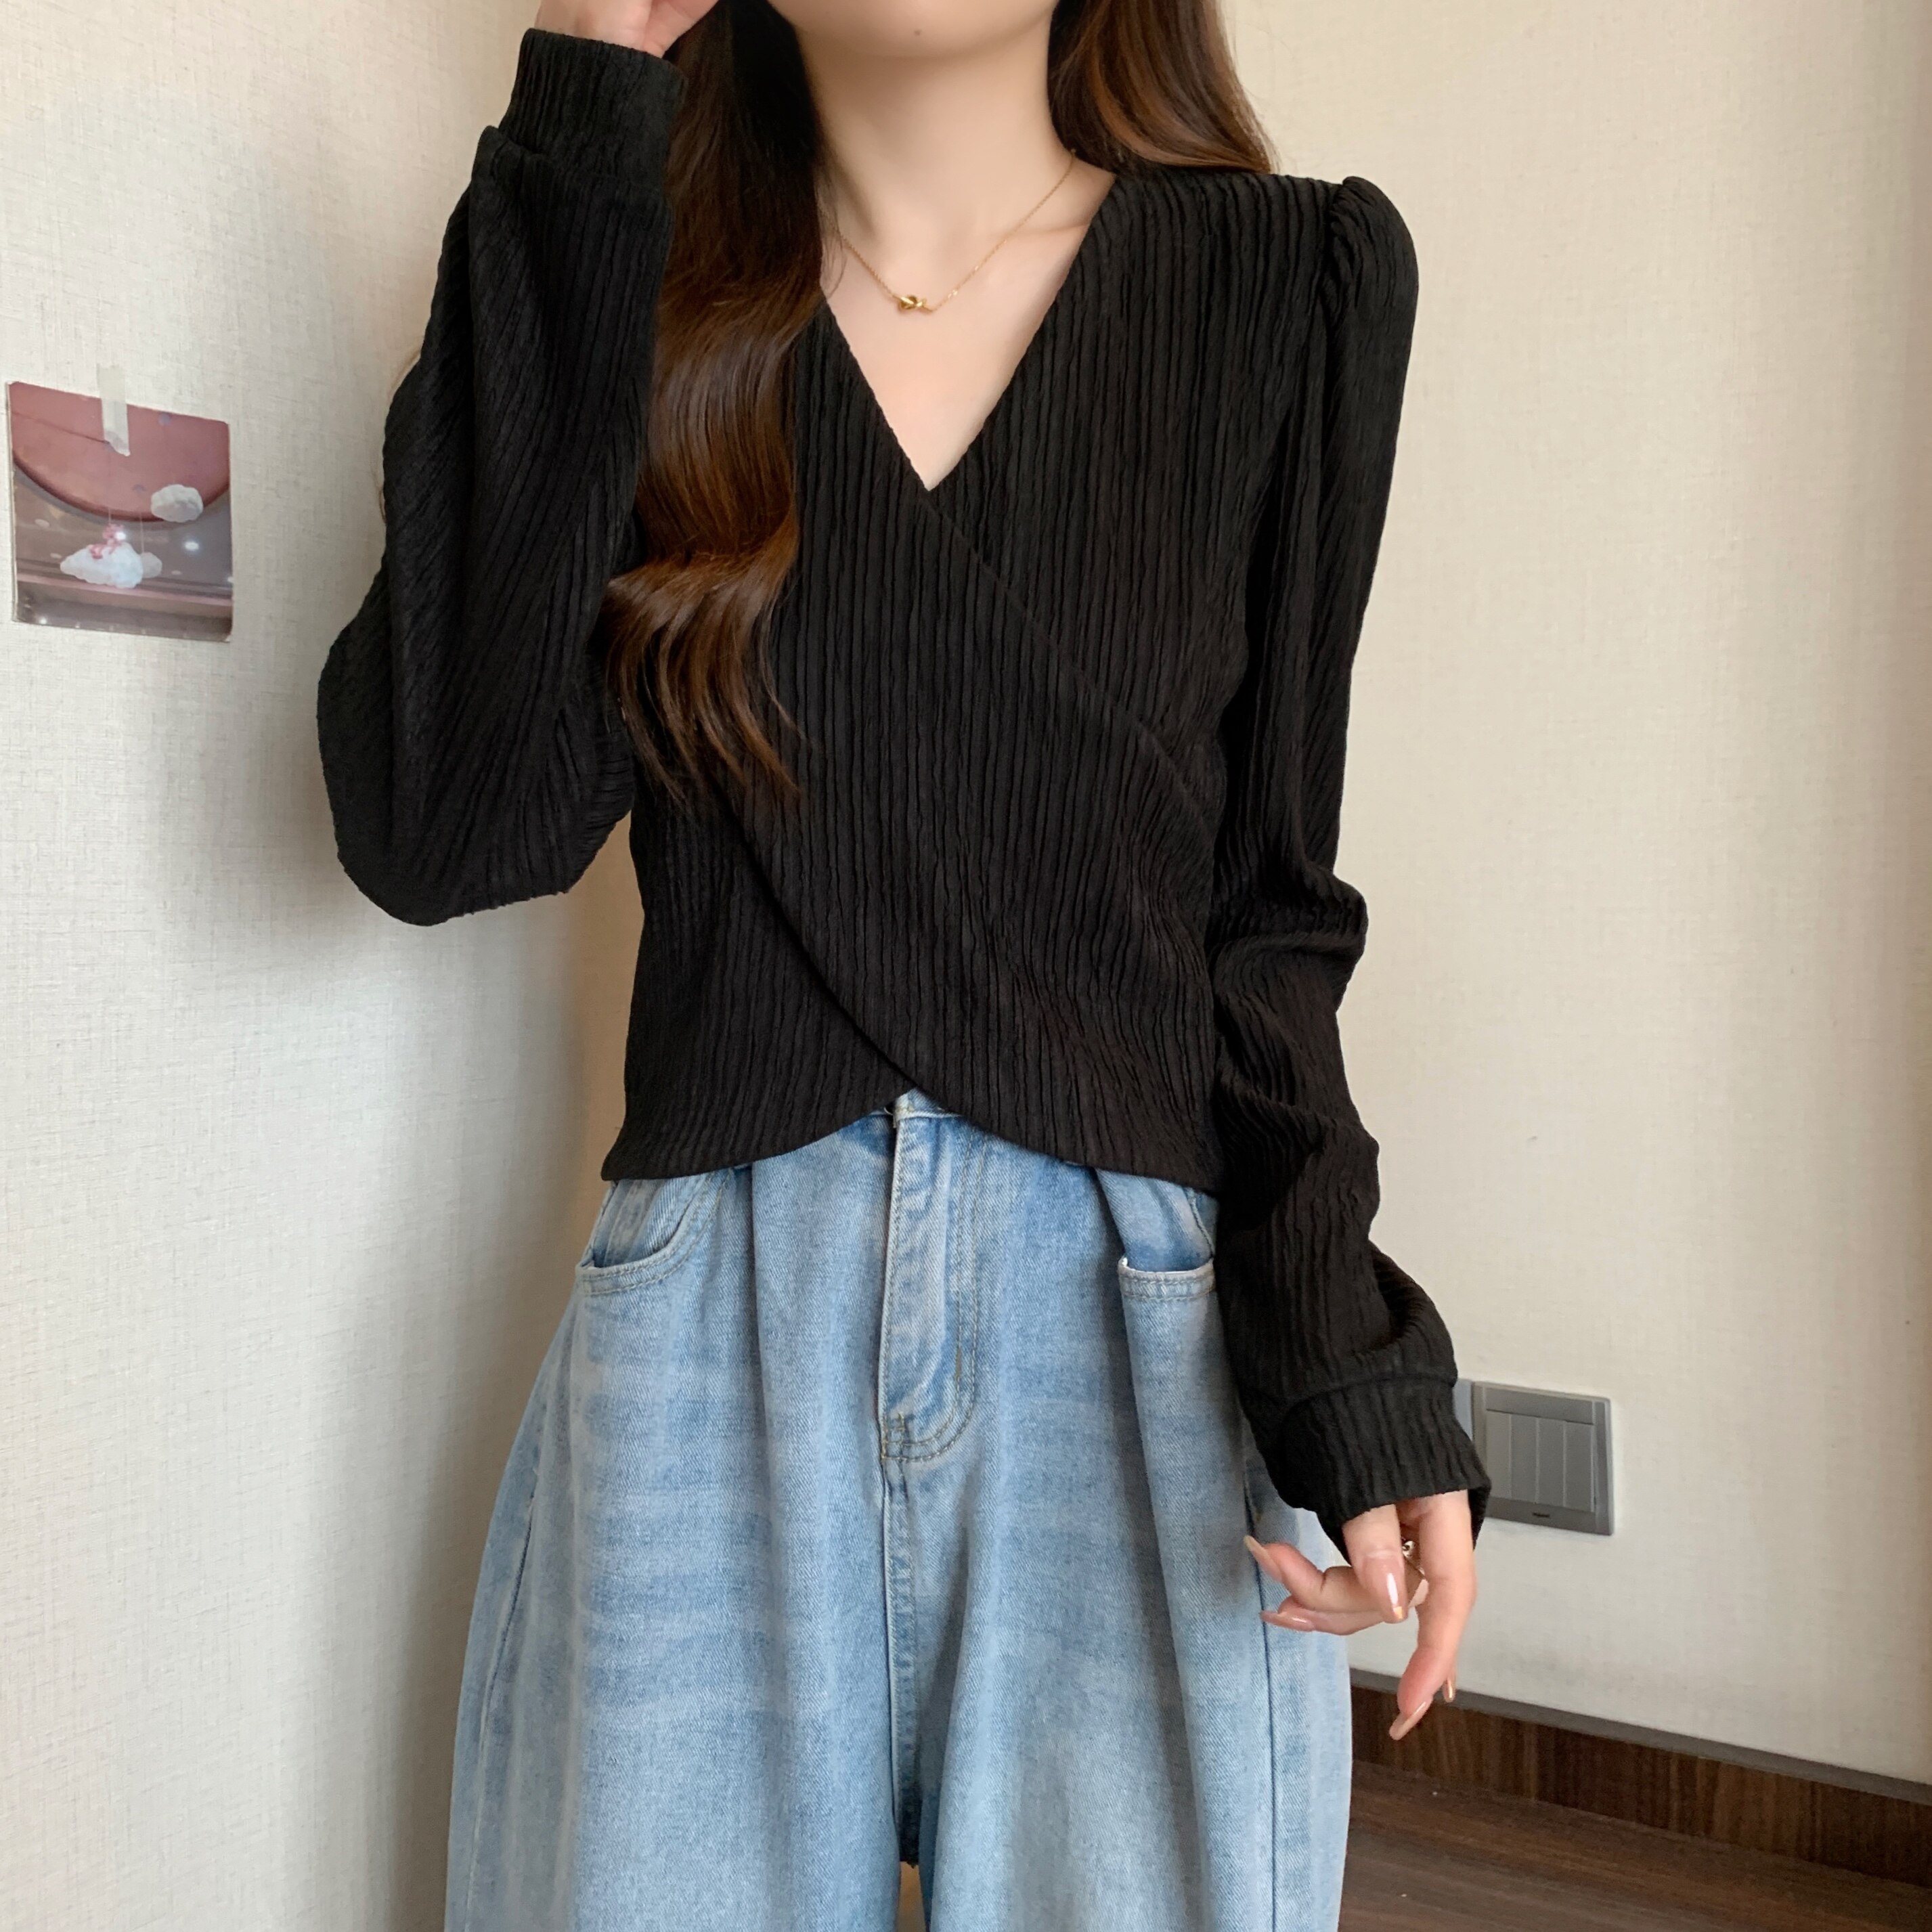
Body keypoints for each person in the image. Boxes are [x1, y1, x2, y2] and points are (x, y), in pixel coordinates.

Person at [315, 1, 1491, 1925]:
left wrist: (1353, 1374)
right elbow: (441, 831)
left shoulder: (1293, 280)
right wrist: (584, 104)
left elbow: (1268, 912)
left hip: (1140, 1349)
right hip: (710, 1337)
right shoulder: (635, 266)